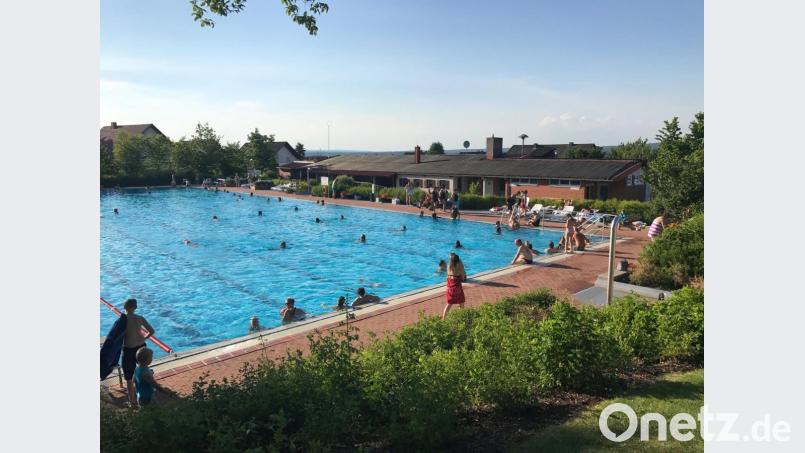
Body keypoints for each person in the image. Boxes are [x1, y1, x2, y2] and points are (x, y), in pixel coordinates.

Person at [121, 298, 155, 406]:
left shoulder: (123, 320)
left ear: (124, 307)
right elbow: (152, 331)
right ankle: (146, 393)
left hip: (129, 349)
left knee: (129, 378)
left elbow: (116, 337)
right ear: (135, 307)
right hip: (141, 347)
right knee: (144, 371)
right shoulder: (140, 318)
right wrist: (144, 338)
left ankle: (132, 402)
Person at [442, 253, 466, 319]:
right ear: (458, 260)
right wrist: (461, 263)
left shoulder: (449, 266)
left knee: (449, 304)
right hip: (457, 288)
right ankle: (462, 317)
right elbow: (463, 278)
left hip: (449, 288)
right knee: (461, 302)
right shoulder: (459, 266)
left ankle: (443, 319)